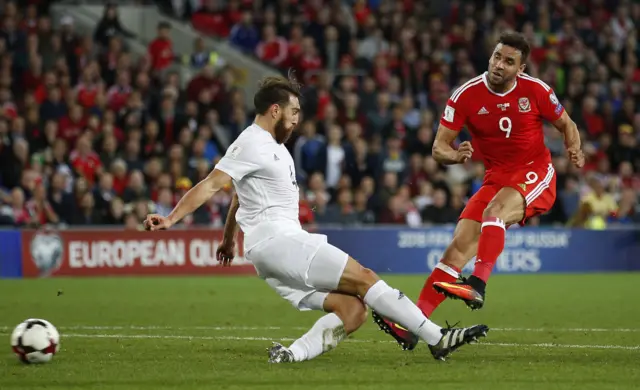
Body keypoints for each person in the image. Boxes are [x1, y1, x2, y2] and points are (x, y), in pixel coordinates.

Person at [143, 73, 488, 363]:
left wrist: (227, 238)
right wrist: (172, 219)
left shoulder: (273, 148)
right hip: (280, 242)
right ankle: (436, 337)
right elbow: (211, 184)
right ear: (274, 110)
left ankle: (290, 355)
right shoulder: (252, 142)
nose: (296, 119)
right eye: (292, 112)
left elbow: (237, 195)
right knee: (366, 278)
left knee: (353, 312)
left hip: (271, 252)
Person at [373, 31, 585, 351]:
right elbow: (438, 148)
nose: (499, 65)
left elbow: (567, 124)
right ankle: (413, 325)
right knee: (454, 252)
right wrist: (455, 155)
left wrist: (574, 149)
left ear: (521, 68)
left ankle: (478, 283)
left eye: (508, 61)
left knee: (494, 213)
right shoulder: (465, 95)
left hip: (534, 173)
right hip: (495, 179)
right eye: (497, 57)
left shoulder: (537, 90)